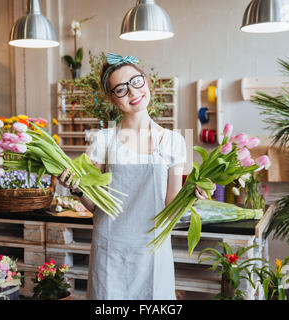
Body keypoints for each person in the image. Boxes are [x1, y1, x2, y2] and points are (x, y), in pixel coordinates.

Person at [59, 53, 215, 300]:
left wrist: (192, 197)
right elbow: (95, 206)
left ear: (147, 82)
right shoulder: (103, 141)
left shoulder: (174, 141)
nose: (132, 92)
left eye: (136, 81)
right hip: (111, 248)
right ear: (111, 98)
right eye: (120, 89)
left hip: (153, 248)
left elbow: (170, 206)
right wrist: (77, 189)